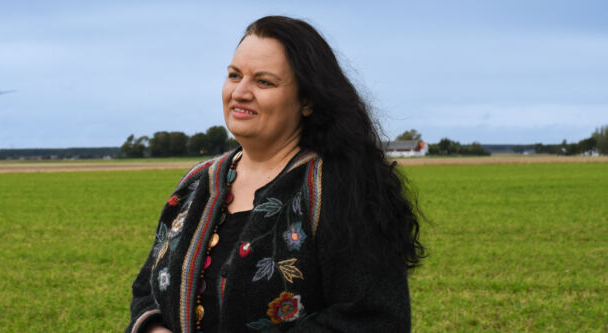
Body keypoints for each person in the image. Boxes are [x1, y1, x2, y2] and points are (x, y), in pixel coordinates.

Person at [126, 16, 425, 333]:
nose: (240, 92)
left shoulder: (340, 188)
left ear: (306, 101)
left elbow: (375, 320)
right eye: (234, 75)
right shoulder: (197, 182)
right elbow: (147, 290)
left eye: (263, 82)